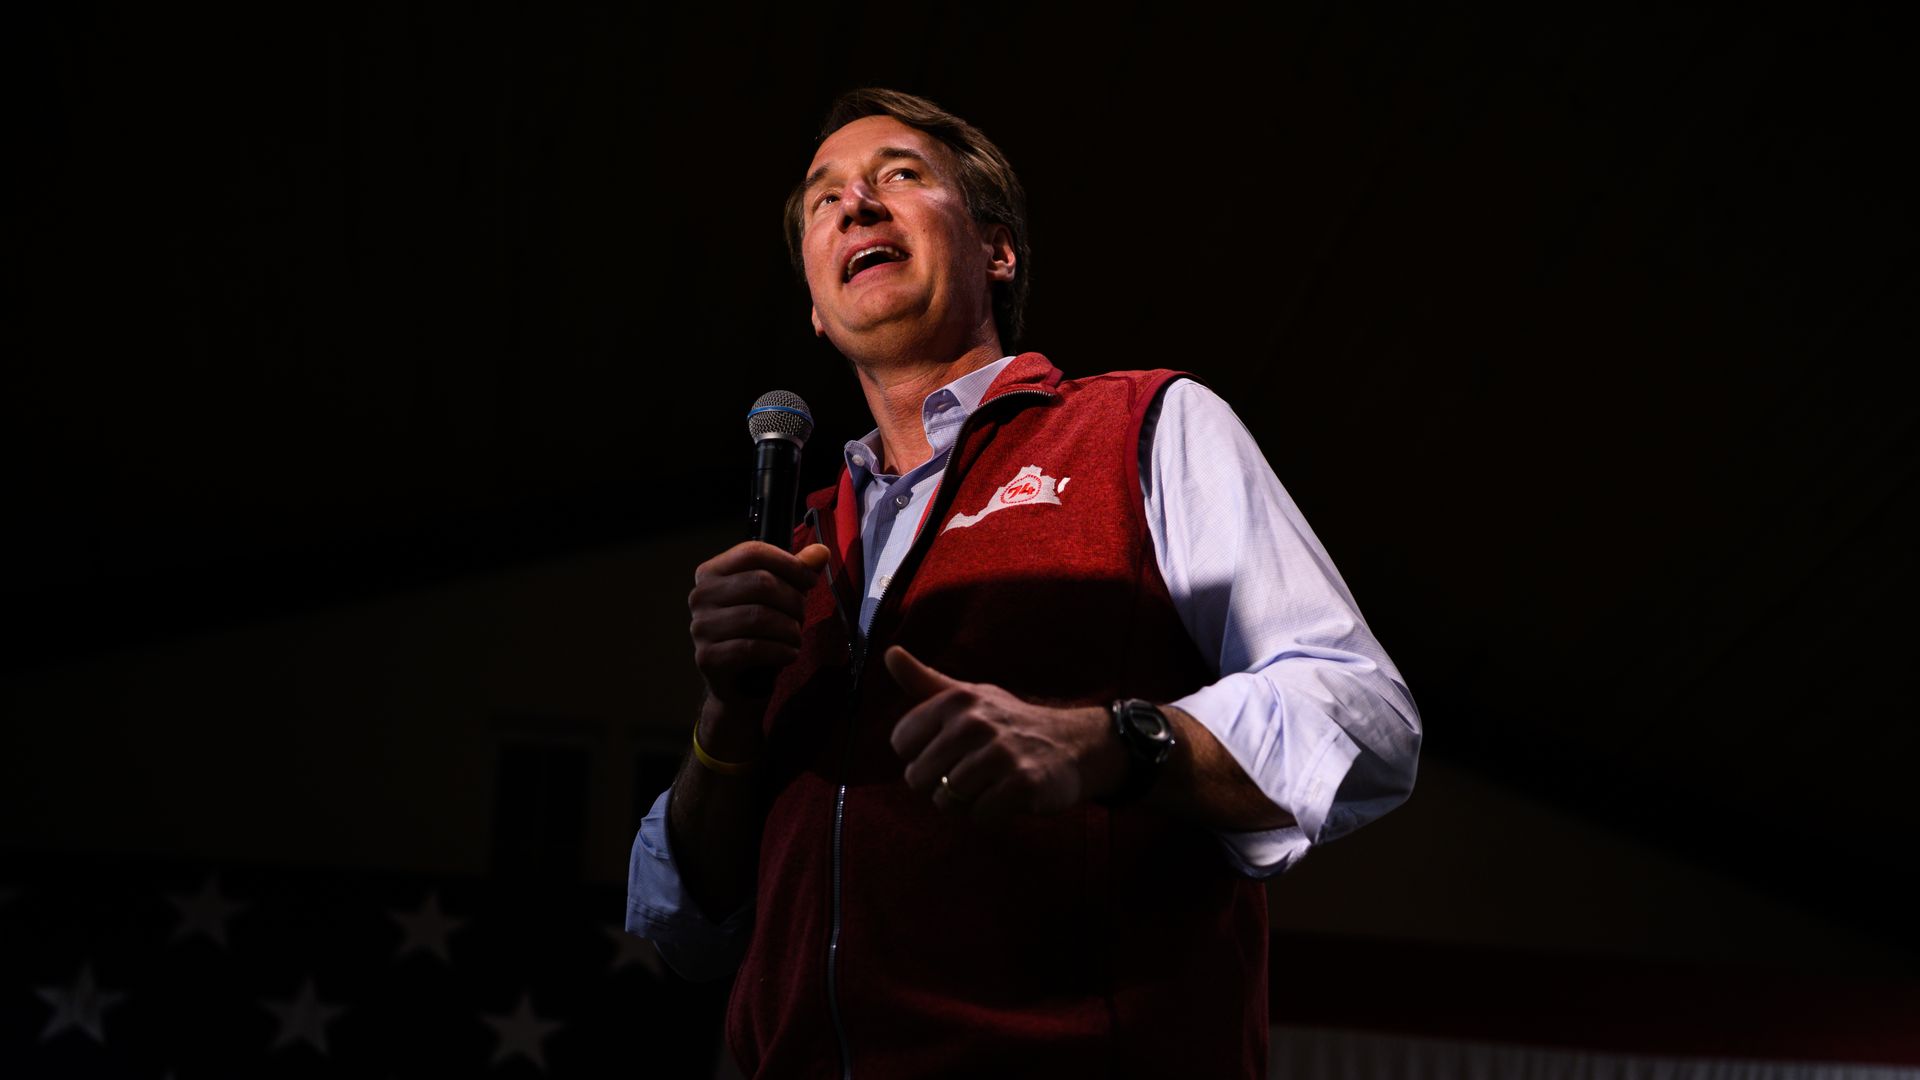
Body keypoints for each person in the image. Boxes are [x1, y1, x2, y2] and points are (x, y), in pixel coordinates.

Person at [627, 88, 1421, 1078]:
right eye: (824, 198)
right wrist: (728, 713)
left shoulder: (1142, 427)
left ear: (997, 251)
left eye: (899, 176)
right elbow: (687, 925)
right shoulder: (794, 555)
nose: (856, 204)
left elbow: (1361, 719)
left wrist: (1111, 743)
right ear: (818, 313)